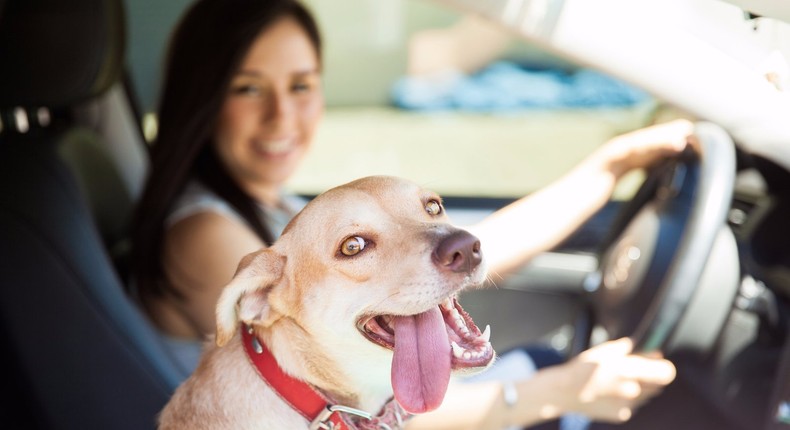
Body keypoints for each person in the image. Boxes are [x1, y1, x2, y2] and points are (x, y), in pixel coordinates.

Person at [129, 0, 682, 428]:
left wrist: (607, 168)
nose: (283, 115)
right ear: (203, 96)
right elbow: (349, 406)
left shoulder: (276, 207)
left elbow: (460, 251)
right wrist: (560, 391)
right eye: (249, 88)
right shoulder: (205, 234)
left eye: (301, 85)